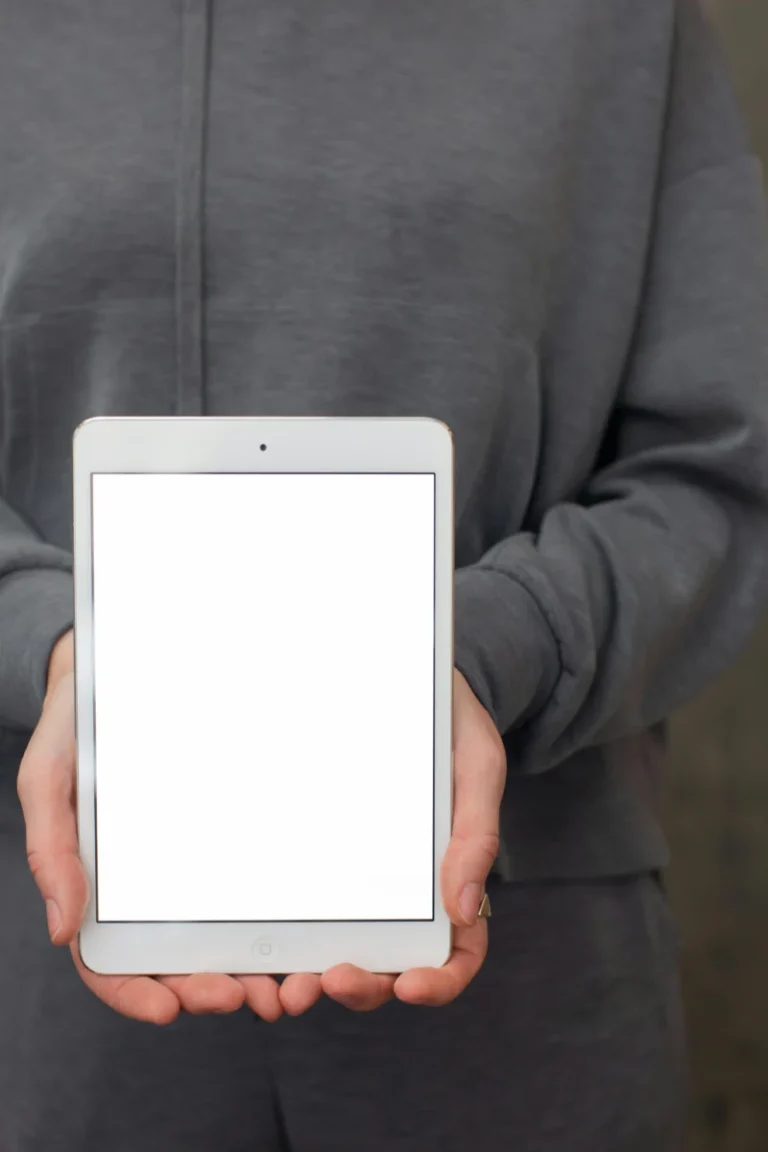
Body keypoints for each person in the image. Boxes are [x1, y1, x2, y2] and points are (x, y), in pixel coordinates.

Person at [1, 0, 767, 1148]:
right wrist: (53, 642)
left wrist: (480, 649)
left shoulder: (620, 23)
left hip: (520, 966)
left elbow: (720, 466)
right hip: (50, 964)